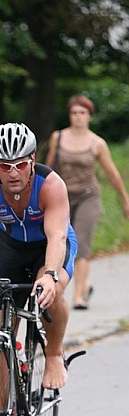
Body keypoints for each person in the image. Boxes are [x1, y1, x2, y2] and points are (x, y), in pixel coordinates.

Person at [0, 122, 77, 404]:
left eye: (20, 165)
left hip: (49, 248)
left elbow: (58, 237)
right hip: (10, 248)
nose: (13, 173)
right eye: (4, 166)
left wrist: (50, 274)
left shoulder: (50, 185)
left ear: (32, 161)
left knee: (51, 291)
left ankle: (52, 354)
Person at [46, 94, 129, 310]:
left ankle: (78, 295)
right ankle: (83, 284)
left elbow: (112, 174)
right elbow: (47, 169)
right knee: (60, 242)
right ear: (69, 115)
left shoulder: (97, 143)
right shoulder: (59, 137)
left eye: (82, 113)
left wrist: (125, 200)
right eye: (74, 113)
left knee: (82, 243)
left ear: (89, 116)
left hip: (88, 196)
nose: (78, 117)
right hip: (62, 196)